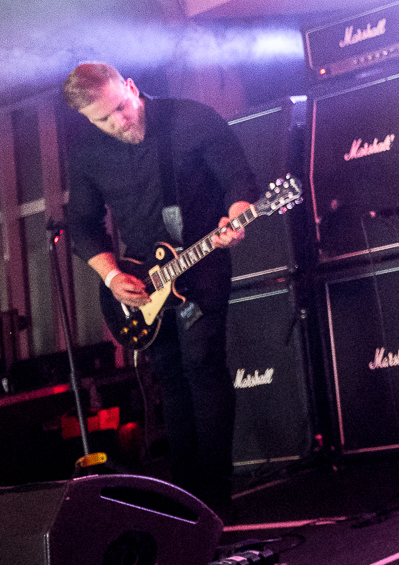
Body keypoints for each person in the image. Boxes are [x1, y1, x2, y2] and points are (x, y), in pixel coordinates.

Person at [62, 62, 255, 518]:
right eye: (104, 119)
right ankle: (184, 498)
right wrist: (112, 276)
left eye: (121, 107)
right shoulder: (88, 153)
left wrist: (237, 213)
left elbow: (238, 178)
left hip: (202, 260)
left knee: (203, 367)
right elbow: (82, 225)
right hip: (142, 281)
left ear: (131, 87)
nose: (119, 121)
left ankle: (216, 496)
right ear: (87, 120)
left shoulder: (191, 119)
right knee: (170, 378)